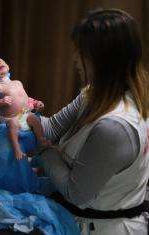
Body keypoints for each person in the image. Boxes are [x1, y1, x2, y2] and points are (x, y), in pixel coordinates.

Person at [38, 9, 149, 235]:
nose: (75, 60)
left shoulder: (115, 127)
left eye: (81, 53)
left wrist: (45, 153)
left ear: (103, 60)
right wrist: (17, 110)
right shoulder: (93, 94)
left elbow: (76, 194)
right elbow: (50, 129)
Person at [0, 54, 51, 160]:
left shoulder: (17, 83)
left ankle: (41, 139)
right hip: (10, 120)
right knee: (13, 123)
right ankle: (17, 148)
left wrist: (35, 103)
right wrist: (0, 101)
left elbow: (24, 98)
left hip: (25, 116)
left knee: (34, 118)